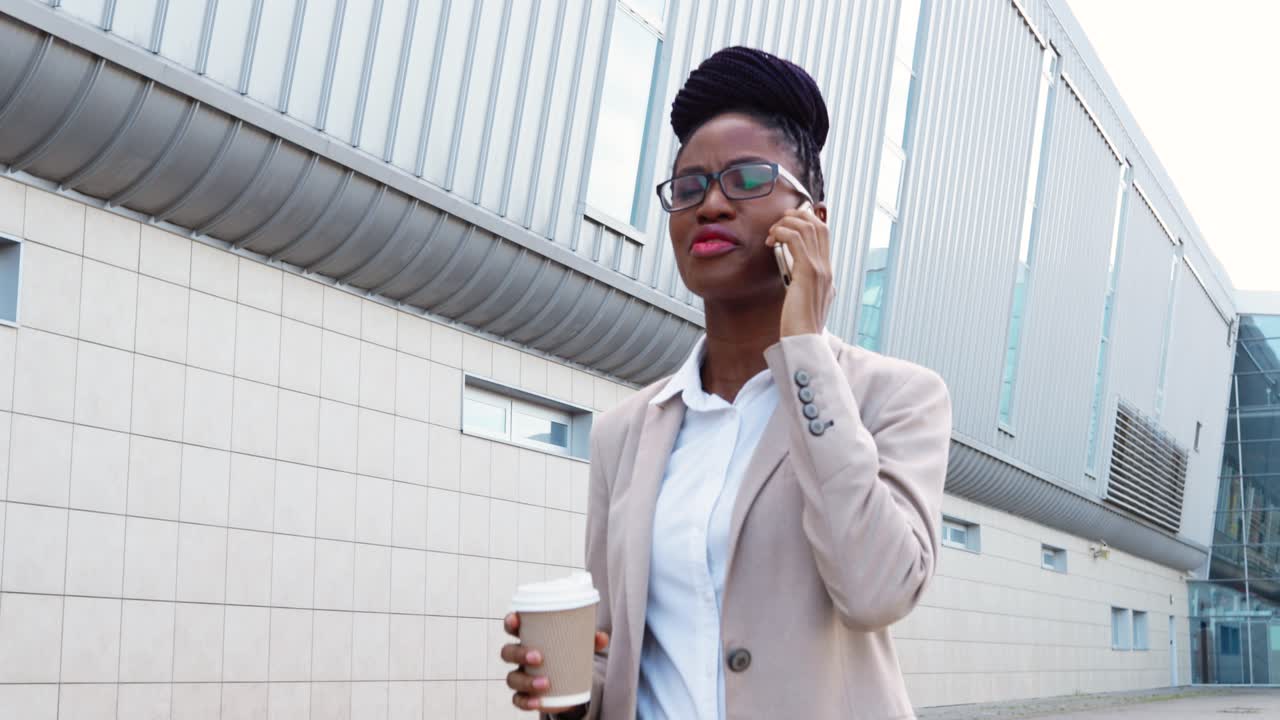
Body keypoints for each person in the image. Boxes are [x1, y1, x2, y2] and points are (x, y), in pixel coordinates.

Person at [500, 46, 952, 719]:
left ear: (813, 223)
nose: (709, 203)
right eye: (688, 187)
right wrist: (564, 695)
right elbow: (613, 652)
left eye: (745, 179)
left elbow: (877, 591)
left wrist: (803, 348)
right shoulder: (627, 430)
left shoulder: (895, 397)